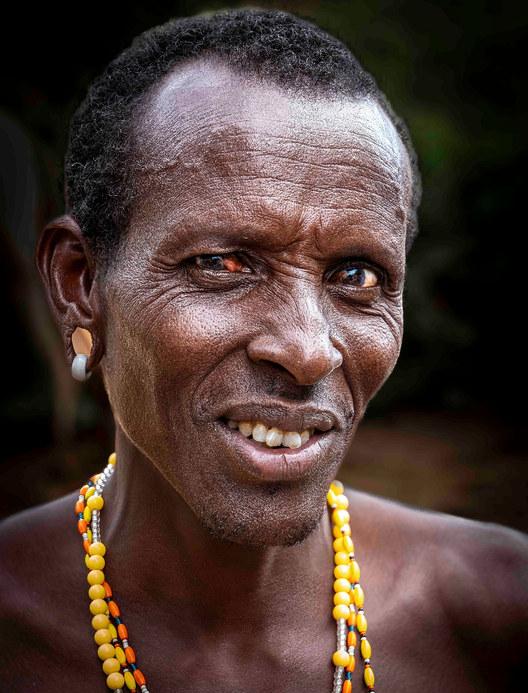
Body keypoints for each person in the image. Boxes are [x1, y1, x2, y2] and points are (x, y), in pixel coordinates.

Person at [0, 8, 526, 692]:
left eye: (357, 276)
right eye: (222, 263)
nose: (308, 351)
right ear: (80, 283)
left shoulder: (497, 617)